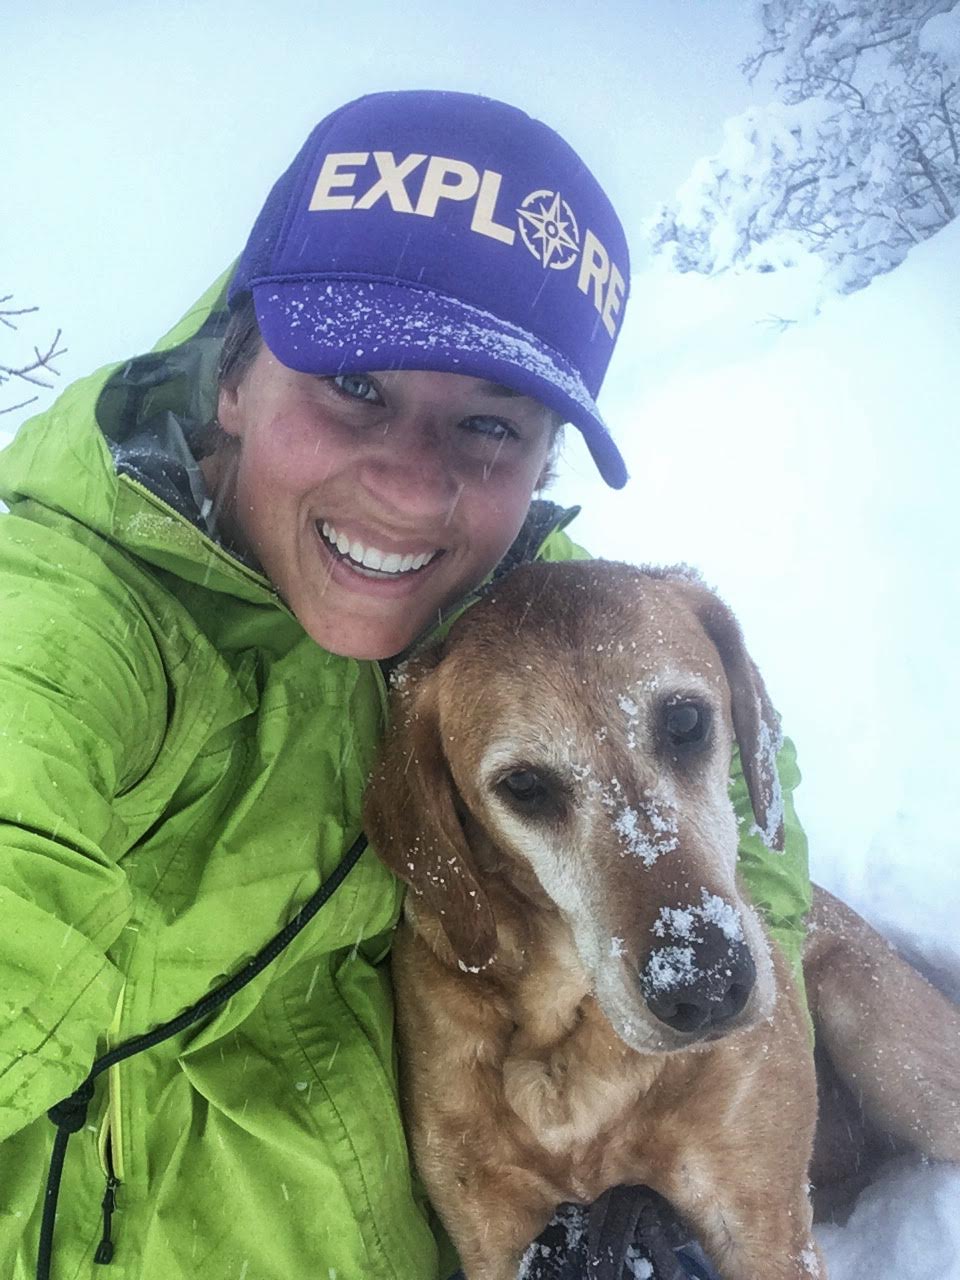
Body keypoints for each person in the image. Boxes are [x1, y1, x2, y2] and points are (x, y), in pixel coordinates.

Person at [0, 90, 811, 1280]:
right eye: (357, 387)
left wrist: (750, 995)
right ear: (231, 376)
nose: (416, 489)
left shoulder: (520, 606)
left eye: (490, 425)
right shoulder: (64, 635)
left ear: (541, 464)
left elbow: (745, 762)